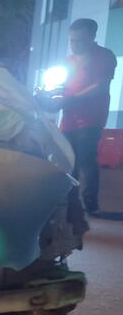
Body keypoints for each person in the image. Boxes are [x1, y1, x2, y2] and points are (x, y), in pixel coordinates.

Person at [60, 18, 117, 214]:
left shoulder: (104, 56)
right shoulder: (69, 61)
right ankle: (69, 204)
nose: (75, 45)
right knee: (68, 161)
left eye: (80, 40)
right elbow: (63, 87)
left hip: (91, 119)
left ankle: (91, 205)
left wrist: (69, 99)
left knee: (86, 160)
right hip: (69, 118)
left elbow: (101, 87)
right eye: (72, 40)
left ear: (92, 37)